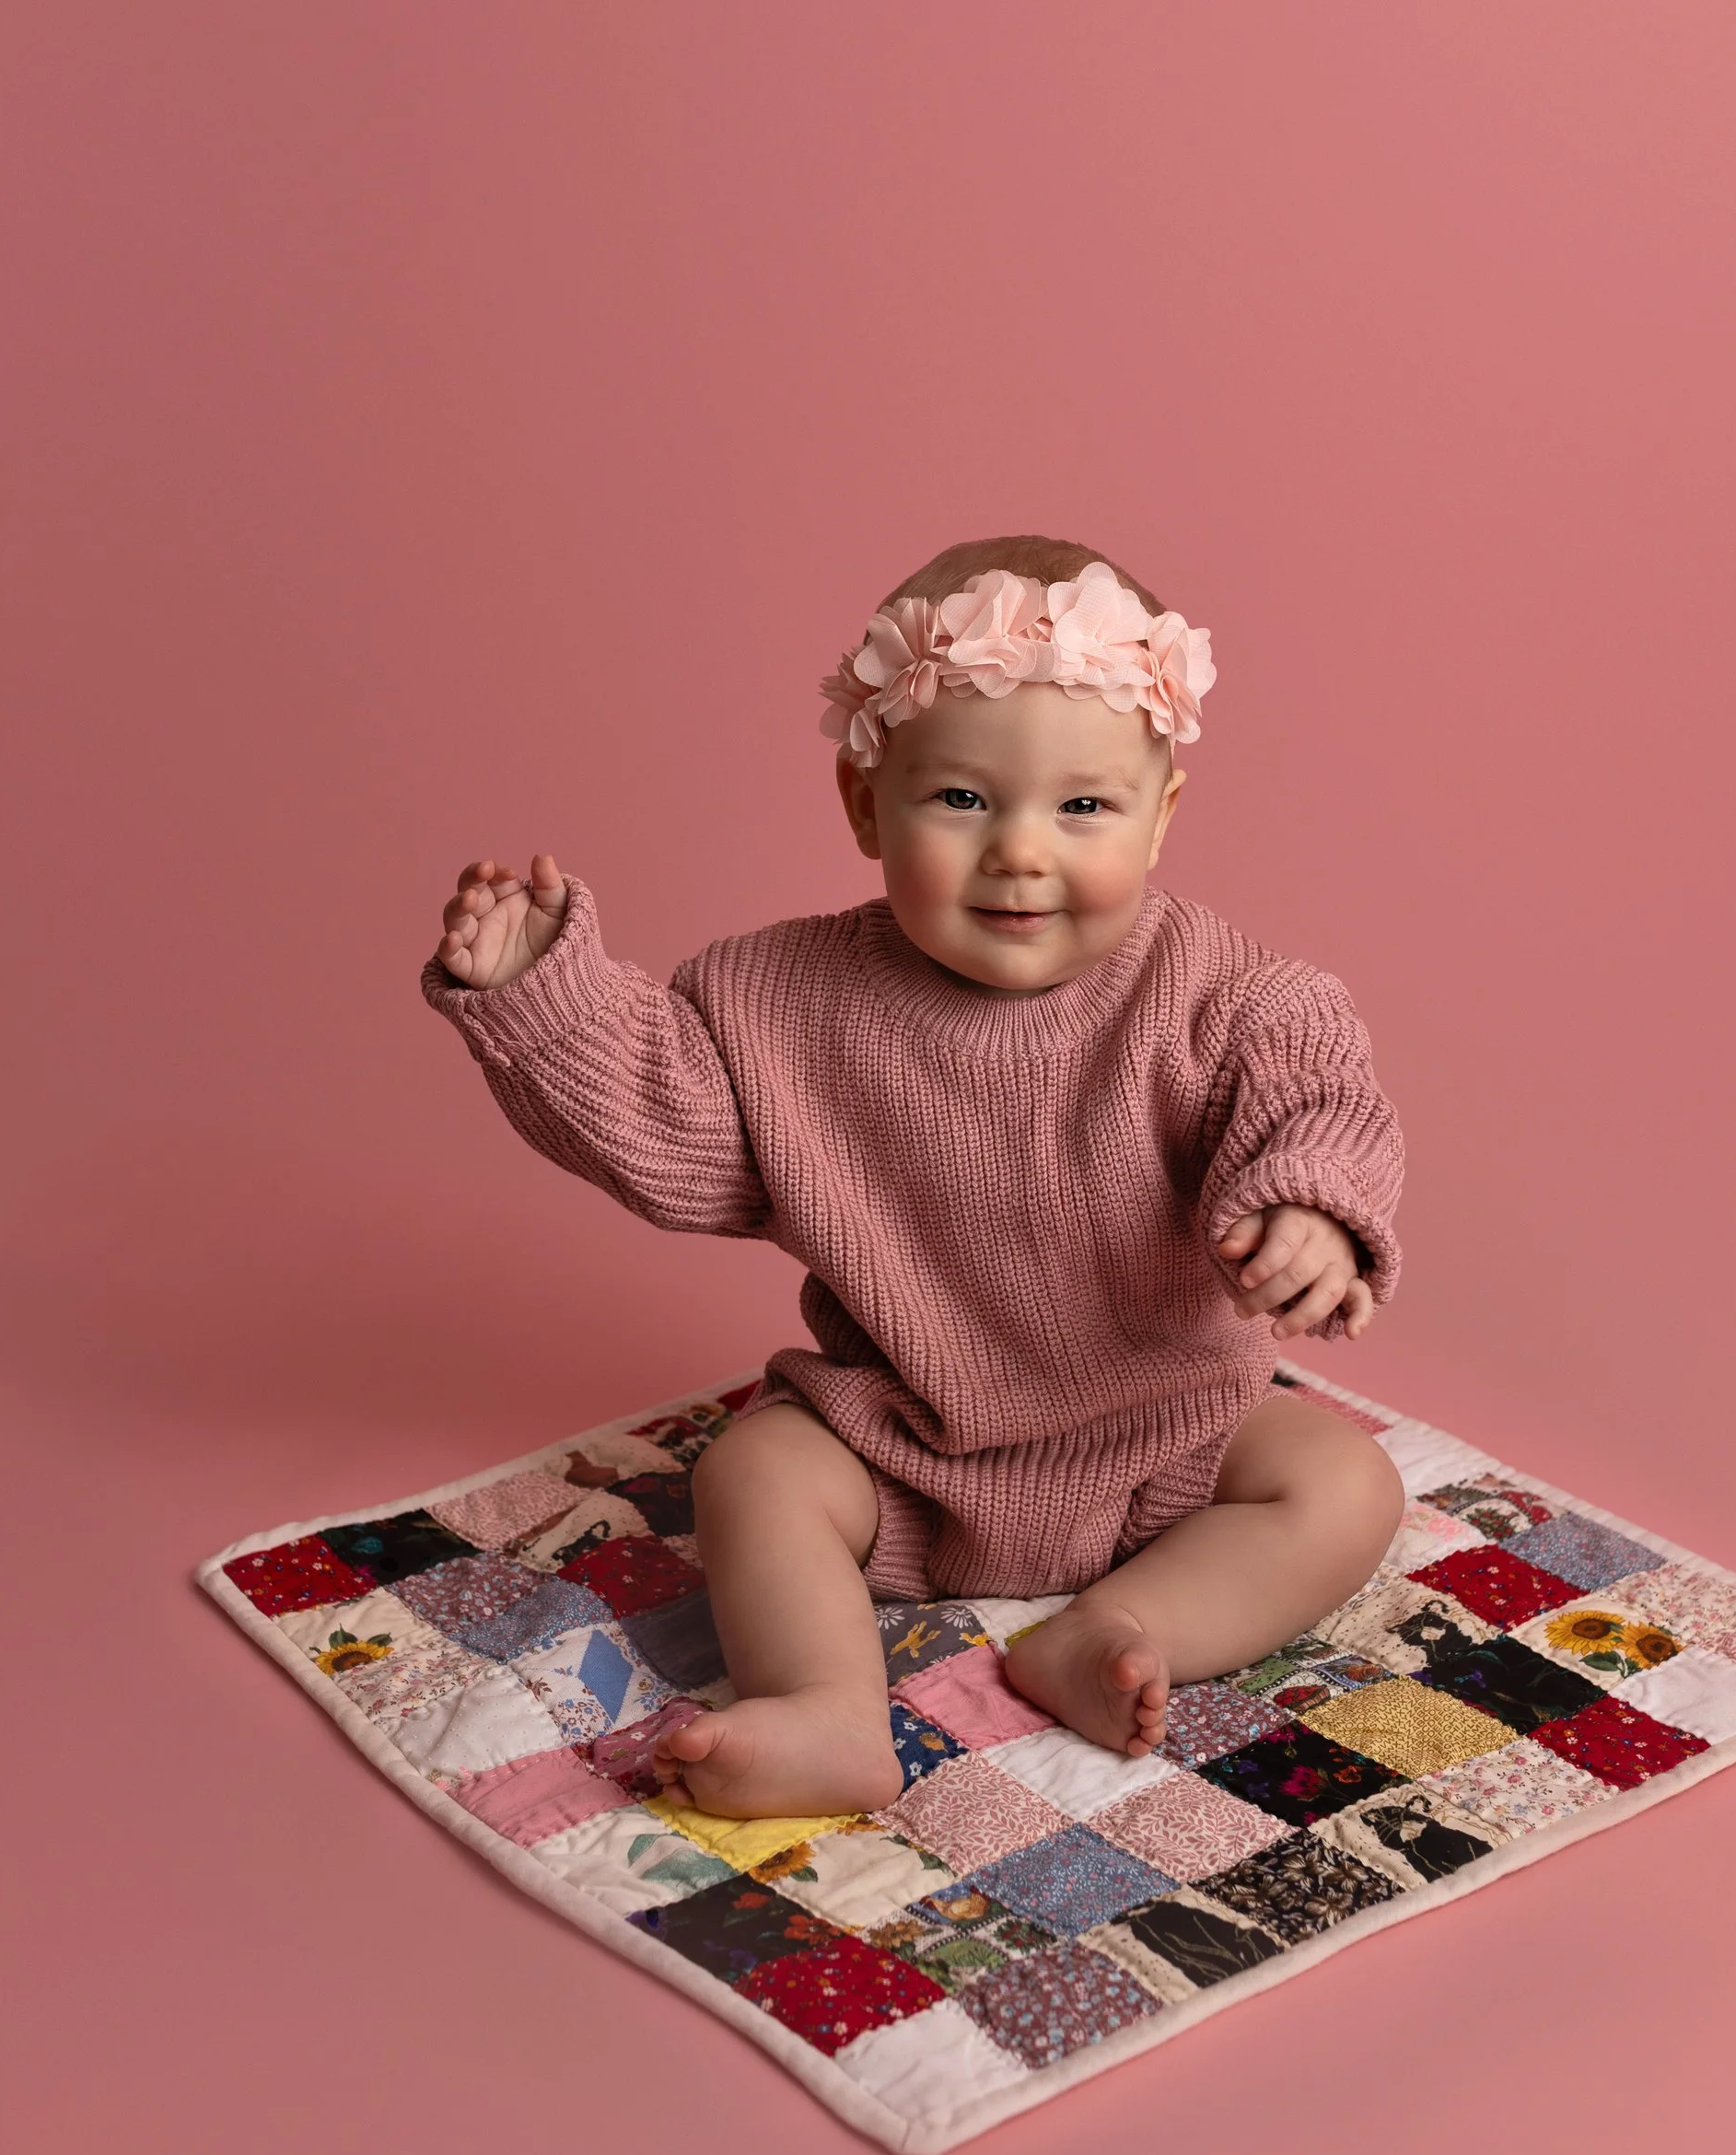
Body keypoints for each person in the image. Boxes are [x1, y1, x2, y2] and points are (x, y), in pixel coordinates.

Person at [426, 535, 1406, 1819]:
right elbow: (681, 1141)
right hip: (906, 1443)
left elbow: (1317, 1092)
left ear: (1162, 817)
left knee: (1344, 1485)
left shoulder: (1227, 996)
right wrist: (546, 1002)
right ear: (862, 802)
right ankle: (828, 1709)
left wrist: (1309, 1209)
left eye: (1084, 808)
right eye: (961, 802)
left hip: (1170, 1434)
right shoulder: (777, 1001)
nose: (1020, 853)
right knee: (753, 1476)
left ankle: (1122, 1626)